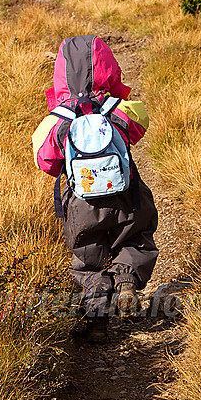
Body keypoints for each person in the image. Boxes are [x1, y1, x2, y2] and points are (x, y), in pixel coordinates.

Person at [32, 35, 159, 344]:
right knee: (134, 237)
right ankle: (126, 282)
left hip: (81, 202)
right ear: (110, 69)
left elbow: (45, 162)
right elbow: (139, 127)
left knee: (88, 258)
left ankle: (96, 323)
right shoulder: (122, 108)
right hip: (126, 194)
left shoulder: (56, 121)